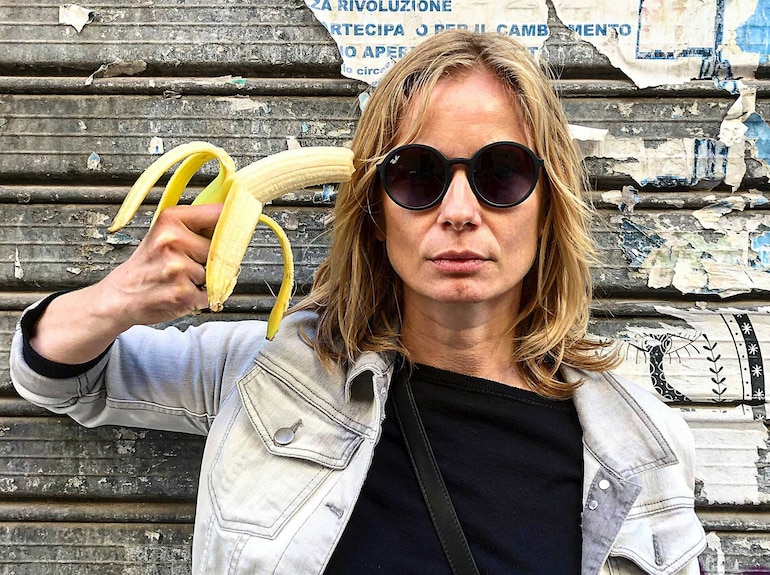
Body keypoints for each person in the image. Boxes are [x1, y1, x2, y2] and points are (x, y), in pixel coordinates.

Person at [10, 30, 706, 574]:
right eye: (417, 176)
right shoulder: (273, 376)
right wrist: (120, 296)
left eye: (501, 173)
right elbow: (63, 375)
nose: (459, 211)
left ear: (547, 204)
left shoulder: (639, 446)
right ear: (375, 211)